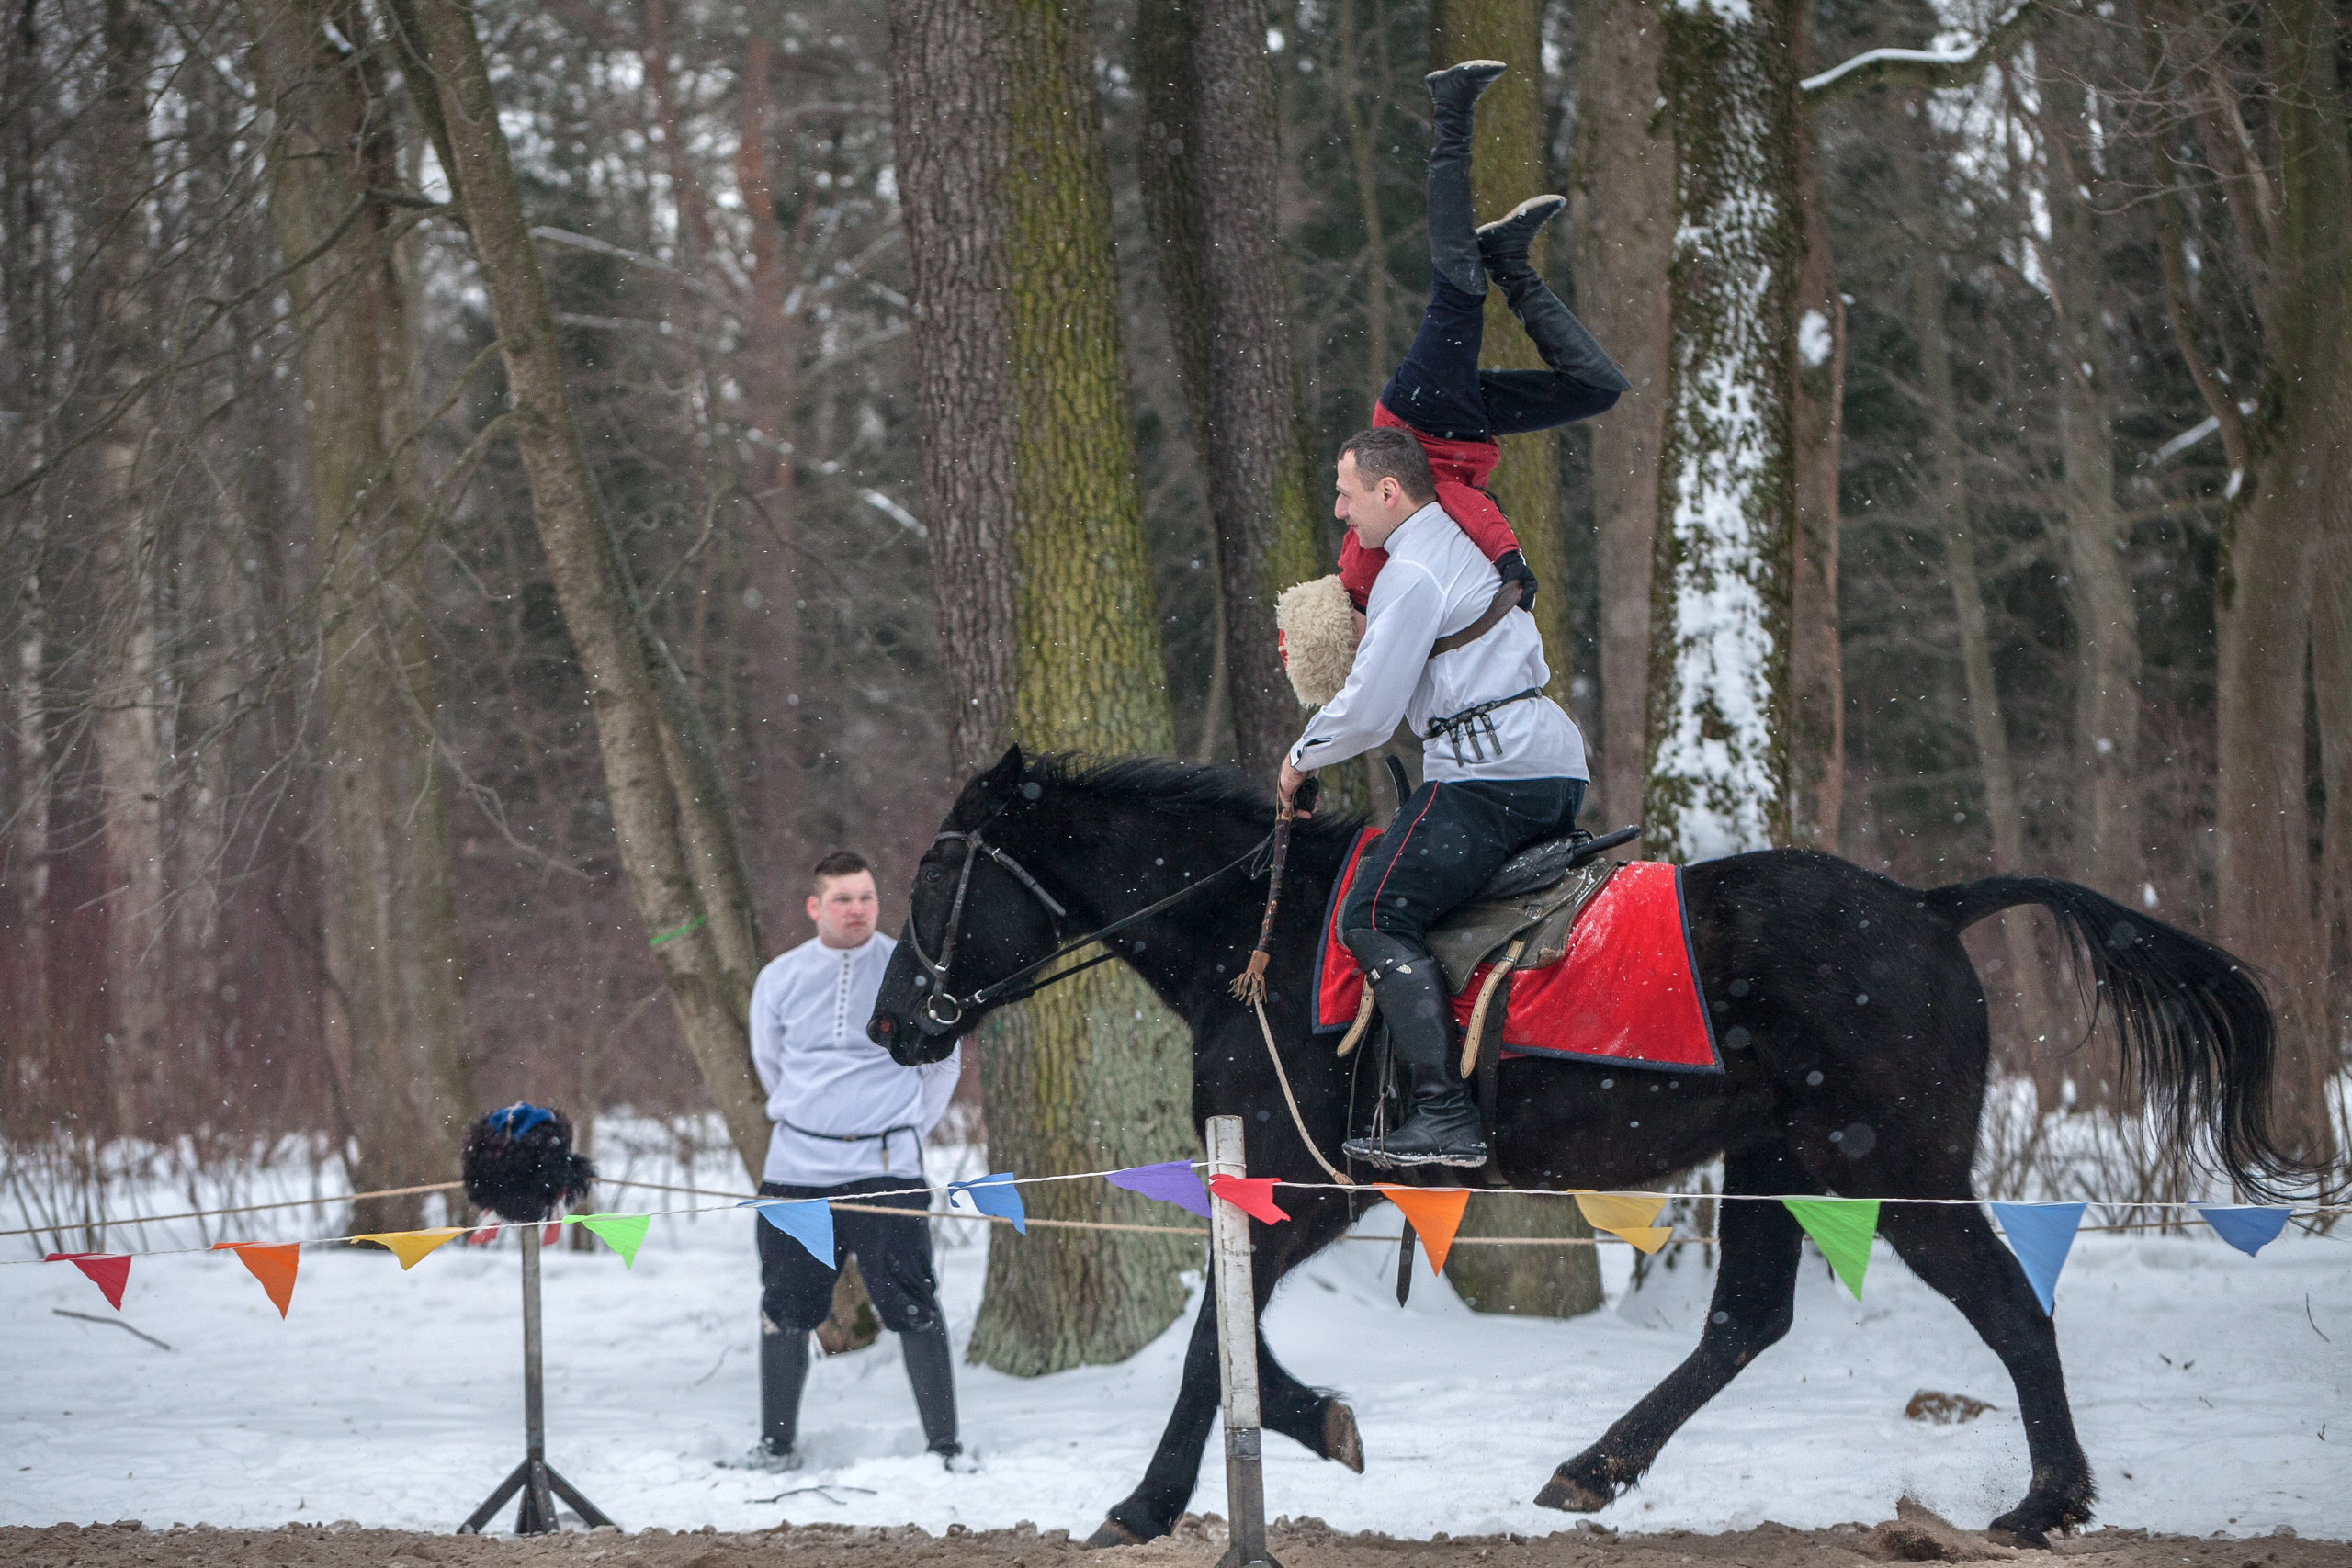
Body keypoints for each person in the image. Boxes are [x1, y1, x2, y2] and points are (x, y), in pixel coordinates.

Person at [1278, 427, 1589, 1168]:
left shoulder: (1411, 571)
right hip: (1544, 767)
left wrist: (1296, 761)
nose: (1339, 510)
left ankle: (1444, 1112)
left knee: (1376, 911)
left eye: (1347, 494)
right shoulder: (1449, 542)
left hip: (1492, 783)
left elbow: (1369, 710)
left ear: (1389, 492)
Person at [1337, 59, 1630, 615]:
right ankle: (1509, 260)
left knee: (1459, 292)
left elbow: (1445, 497)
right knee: (1596, 389)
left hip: (1417, 423)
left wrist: (1509, 561)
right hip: (1463, 433)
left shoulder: (1364, 572)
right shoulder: (1395, 605)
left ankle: (1450, 109)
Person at [742, 851, 967, 1471]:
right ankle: (776, 1444)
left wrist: (898, 1125)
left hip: (887, 1168)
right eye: (843, 898)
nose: (857, 909)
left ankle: (945, 1447)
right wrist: (817, 1117)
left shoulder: (911, 971)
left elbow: (943, 1060)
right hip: (797, 1171)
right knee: (785, 1304)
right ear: (815, 906)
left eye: (866, 896)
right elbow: (771, 1060)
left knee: (914, 1300)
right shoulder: (779, 978)